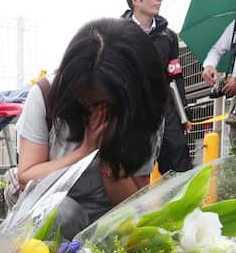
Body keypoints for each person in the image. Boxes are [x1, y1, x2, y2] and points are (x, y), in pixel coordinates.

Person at [14, 18, 168, 238]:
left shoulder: (146, 109)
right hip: (50, 219)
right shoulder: (46, 94)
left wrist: (109, 155)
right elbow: (27, 177)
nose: (96, 107)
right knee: (63, 213)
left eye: (107, 101)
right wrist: (84, 151)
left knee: (146, 223)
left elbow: (133, 205)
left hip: (108, 223)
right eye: (89, 97)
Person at [121, 0, 192, 174]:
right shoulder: (118, 35)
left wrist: (182, 114)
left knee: (178, 159)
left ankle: (184, 205)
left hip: (165, 108)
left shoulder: (168, 36)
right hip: (133, 112)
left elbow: (175, 75)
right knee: (132, 170)